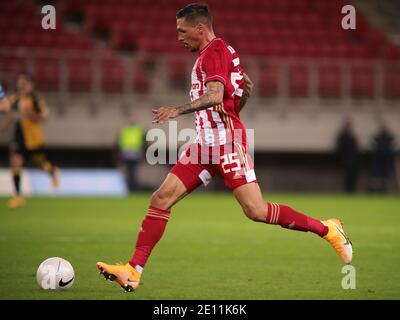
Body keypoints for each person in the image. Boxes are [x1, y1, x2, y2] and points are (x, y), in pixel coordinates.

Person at [96, 3, 353, 293]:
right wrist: (240, 97)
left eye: (182, 31)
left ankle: (328, 228)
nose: (179, 37)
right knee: (161, 198)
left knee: (255, 210)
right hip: (204, 143)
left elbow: (216, 94)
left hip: (227, 142)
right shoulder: (217, 53)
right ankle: (133, 270)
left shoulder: (214, 52)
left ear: (200, 29)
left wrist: (176, 111)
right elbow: (234, 99)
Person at [1, 74, 60, 208]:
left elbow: (44, 118)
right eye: (19, 82)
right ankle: (18, 196)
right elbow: (8, 111)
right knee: (15, 162)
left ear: (30, 85)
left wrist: (30, 114)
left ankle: (52, 171)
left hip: (33, 138)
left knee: (39, 164)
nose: (20, 85)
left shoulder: (36, 99)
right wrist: (4, 125)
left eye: (24, 83)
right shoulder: (15, 98)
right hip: (19, 136)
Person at [117, 117, 145, 192]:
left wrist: (121, 152)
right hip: (135, 152)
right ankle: (132, 187)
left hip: (127, 152)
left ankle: (131, 187)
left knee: (130, 171)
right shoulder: (139, 130)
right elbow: (143, 141)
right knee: (132, 171)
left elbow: (120, 141)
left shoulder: (125, 130)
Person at [368, 120, 395, 193]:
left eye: (384, 127)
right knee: (376, 178)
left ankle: (385, 191)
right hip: (377, 161)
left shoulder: (390, 138)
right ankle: (375, 191)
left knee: (385, 177)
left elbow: (393, 149)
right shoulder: (376, 138)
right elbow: (371, 149)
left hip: (386, 161)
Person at [335, 119, 360, 193]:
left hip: (353, 160)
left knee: (353, 177)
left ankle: (352, 191)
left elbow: (356, 149)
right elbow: (339, 149)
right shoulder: (342, 137)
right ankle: (347, 191)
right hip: (346, 160)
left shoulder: (352, 137)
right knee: (347, 178)